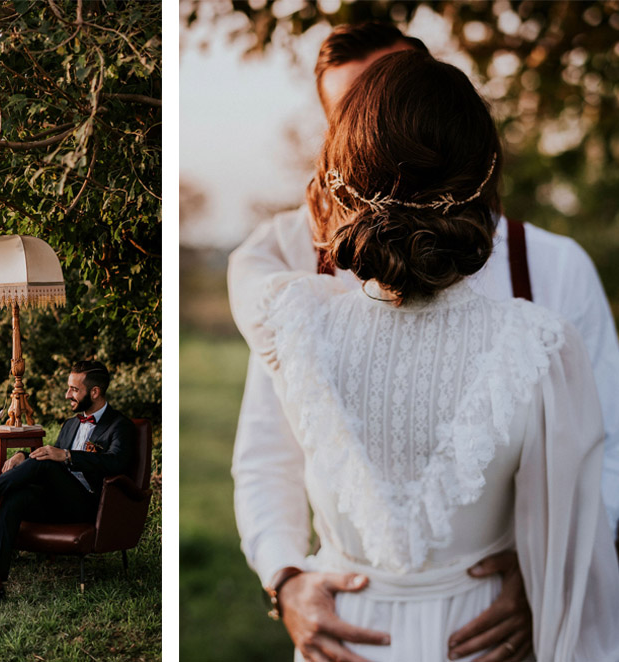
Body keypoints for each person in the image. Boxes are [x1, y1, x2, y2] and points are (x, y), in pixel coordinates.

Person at [230, 21, 619, 662]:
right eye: (360, 114)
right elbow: (266, 453)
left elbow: (603, 454)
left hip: (495, 627)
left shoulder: (554, 268)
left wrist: (550, 575)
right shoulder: (298, 289)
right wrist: (286, 576)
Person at [0, 360, 136, 610]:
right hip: (58, 500)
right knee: (16, 495)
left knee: (47, 463)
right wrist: (23, 455)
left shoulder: (120, 426)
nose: (68, 394)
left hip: (90, 504)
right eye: (69, 388)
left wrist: (67, 455)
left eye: (74, 389)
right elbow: (49, 459)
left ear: (95, 392)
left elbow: (115, 463)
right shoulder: (70, 425)